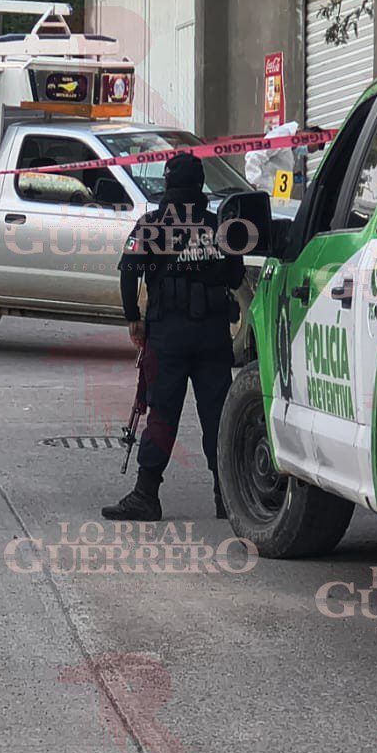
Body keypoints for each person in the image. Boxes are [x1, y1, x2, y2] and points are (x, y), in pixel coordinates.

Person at [105, 152, 247, 523]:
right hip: (213, 335)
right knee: (217, 415)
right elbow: (235, 277)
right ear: (200, 186)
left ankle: (146, 495)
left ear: (167, 183)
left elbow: (128, 273)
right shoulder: (219, 226)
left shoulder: (151, 225)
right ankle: (227, 498)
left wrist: (133, 319)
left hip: (167, 335)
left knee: (162, 413)